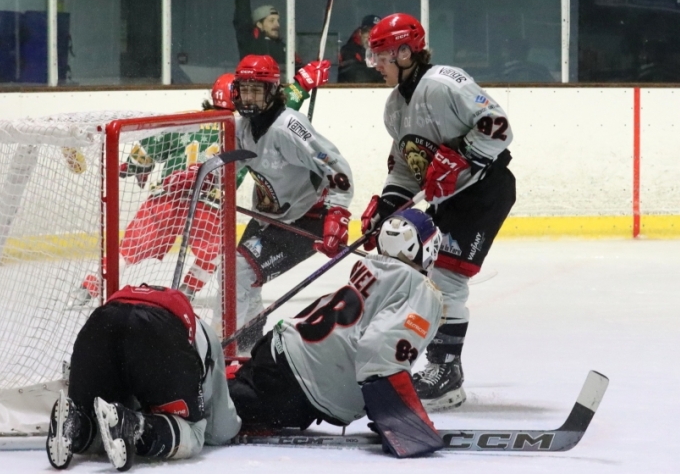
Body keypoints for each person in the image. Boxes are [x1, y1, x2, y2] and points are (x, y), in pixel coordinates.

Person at [75, 59, 332, 328]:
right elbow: (279, 113)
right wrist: (301, 84)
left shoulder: (188, 121)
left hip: (166, 197)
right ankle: (187, 290)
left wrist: (133, 167)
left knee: (128, 250)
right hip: (210, 204)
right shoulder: (241, 127)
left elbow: (148, 149)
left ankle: (88, 287)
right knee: (215, 255)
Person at [362, 13, 516, 411]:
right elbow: (406, 167)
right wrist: (387, 207)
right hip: (448, 199)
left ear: (404, 52)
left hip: (484, 190)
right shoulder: (394, 107)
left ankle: (446, 374)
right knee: (414, 273)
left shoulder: (445, 83)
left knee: (446, 276)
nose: (376, 64)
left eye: (381, 56)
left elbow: (498, 125)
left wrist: (464, 155)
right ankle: (421, 357)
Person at [228, 209, 446, 458]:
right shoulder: (419, 289)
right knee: (217, 413)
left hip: (284, 353)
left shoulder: (373, 266)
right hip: (301, 386)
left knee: (232, 395)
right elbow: (381, 353)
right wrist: (404, 424)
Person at [231, 54, 354, 350]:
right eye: (244, 89)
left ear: (273, 91)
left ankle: (230, 347)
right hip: (267, 218)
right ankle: (246, 345)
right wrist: (199, 178)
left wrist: (337, 213)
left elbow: (337, 169)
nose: (248, 98)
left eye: (256, 90)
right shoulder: (242, 127)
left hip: (307, 219)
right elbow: (229, 169)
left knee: (239, 272)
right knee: (240, 276)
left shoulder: (288, 126)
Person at [46, 284, 241, 471]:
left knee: (97, 418)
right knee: (194, 433)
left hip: (99, 324)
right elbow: (220, 430)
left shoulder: (148, 306)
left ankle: (75, 425)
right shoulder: (204, 333)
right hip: (157, 332)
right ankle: (135, 427)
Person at [234, 0, 300, 72]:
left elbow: (300, 71)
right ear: (259, 24)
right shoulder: (251, 43)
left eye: (278, 21)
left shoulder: (285, 49)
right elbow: (242, 17)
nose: (277, 25)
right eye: (271, 20)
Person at [337, 14, 384, 83]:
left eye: (376, 33)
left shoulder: (387, 52)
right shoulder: (348, 50)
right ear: (360, 33)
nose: (371, 37)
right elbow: (357, 76)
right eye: (367, 32)